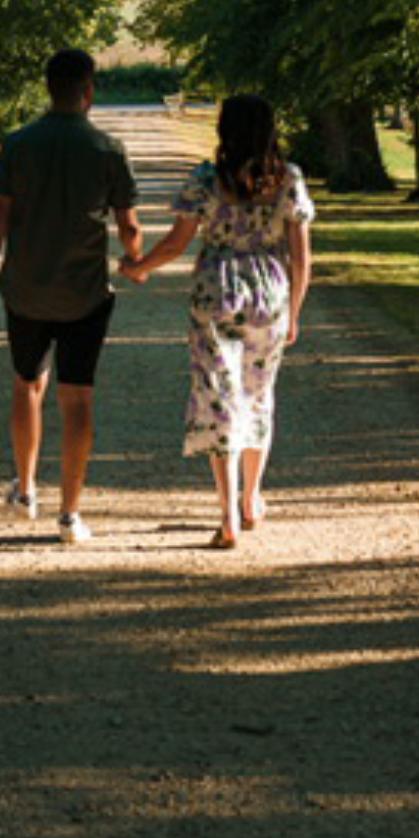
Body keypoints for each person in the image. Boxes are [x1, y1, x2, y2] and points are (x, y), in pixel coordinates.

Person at [121, 94, 313, 549]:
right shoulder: (289, 179)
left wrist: (140, 267)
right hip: (269, 291)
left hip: (216, 290)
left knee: (219, 395)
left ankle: (226, 513)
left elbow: (175, 243)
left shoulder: (207, 179)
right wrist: (295, 312)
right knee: (258, 393)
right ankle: (252, 499)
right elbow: (302, 256)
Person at [0, 47, 143, 545]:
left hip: (25, 289)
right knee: (78, 396)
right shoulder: (108, 148)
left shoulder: (19, 144)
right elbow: (128, 225)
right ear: (89, 89)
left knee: (28, 383)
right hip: (85, 293)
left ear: (49, 88)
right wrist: (135, 259)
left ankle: (26, 489)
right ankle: (70, 514)